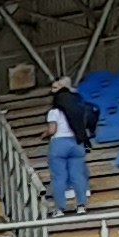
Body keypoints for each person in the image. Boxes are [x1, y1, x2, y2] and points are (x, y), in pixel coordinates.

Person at [45, 77, 92, 215]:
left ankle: (60, 209)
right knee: (78, 176)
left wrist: (43, 135)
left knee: (59, 177)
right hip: (76, 143)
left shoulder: (54, 112)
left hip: (59, 144)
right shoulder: (77, 109)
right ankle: (81, 206)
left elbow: (52, 130)